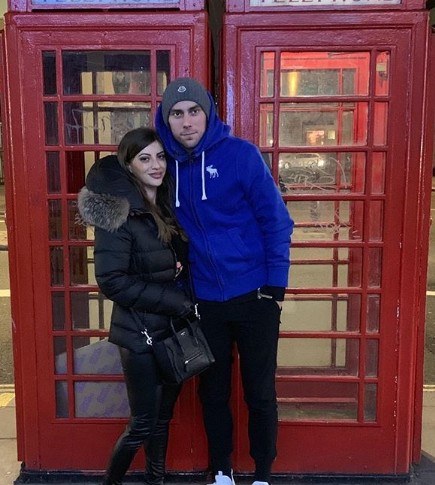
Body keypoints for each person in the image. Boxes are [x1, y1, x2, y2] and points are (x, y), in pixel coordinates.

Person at [155, 78, 294, 485]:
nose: (186, 122)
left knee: (259, 392)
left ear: (208, 113)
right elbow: (122, 176)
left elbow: (276, 220)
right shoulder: (163, 166)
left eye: (193, 112)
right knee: (212, 393)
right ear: (166, 120)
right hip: (204, 302)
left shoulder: (240, 155)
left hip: (255, 295)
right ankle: (221, 470)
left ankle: (263, 472)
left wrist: (275, 287)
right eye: (176, 114)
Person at [77, 127, 195, 485]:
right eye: (145, 158)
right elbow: (111, 280)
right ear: (129, 166)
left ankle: (155, 480)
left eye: (160, 157)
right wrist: (177, 301)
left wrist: (178, 267)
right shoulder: (120, 215)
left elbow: (163, 261)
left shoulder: (164, 205)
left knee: (162, 419)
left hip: (170, 332)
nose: (156, 165)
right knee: (142, 423)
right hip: (139, 336)